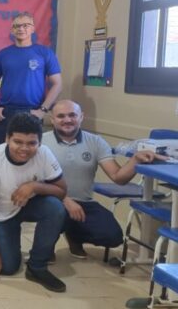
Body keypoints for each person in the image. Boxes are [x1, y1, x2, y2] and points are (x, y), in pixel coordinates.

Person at [42, 100, 165, 258]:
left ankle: (74, 235)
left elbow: (118, 177)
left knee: (112, 236)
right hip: (51, 201)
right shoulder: (41, 141)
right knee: (56, 211)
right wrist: (65, 200)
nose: (67, 120)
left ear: (81, 117)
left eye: (72, 115)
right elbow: (35, 180)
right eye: (61, 116)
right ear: (52, 119)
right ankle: (45, 245)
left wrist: (136, 159)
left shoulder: (96, 142)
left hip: (83, 203)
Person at [0, 112, 67, 292]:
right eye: (18, 142)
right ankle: (10, 242)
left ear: (39, 143)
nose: (24, 148)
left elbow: (62, 191)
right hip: (2, 214)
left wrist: (34, 186)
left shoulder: (44, 153)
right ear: (7, 138)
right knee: (8, 267)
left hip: (31, 205)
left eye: (32, 143)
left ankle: (37, 266)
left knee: (55, 208)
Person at [0, 12, 62, 145]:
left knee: (29, 154)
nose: (21, 29)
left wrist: (42, 110)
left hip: (32, 111)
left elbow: (57, 84)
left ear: (33, 29)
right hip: (5, 112)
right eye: (17, 26)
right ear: (12, 30)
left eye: (26, 25)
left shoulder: (44, 53)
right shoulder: (3, 54)